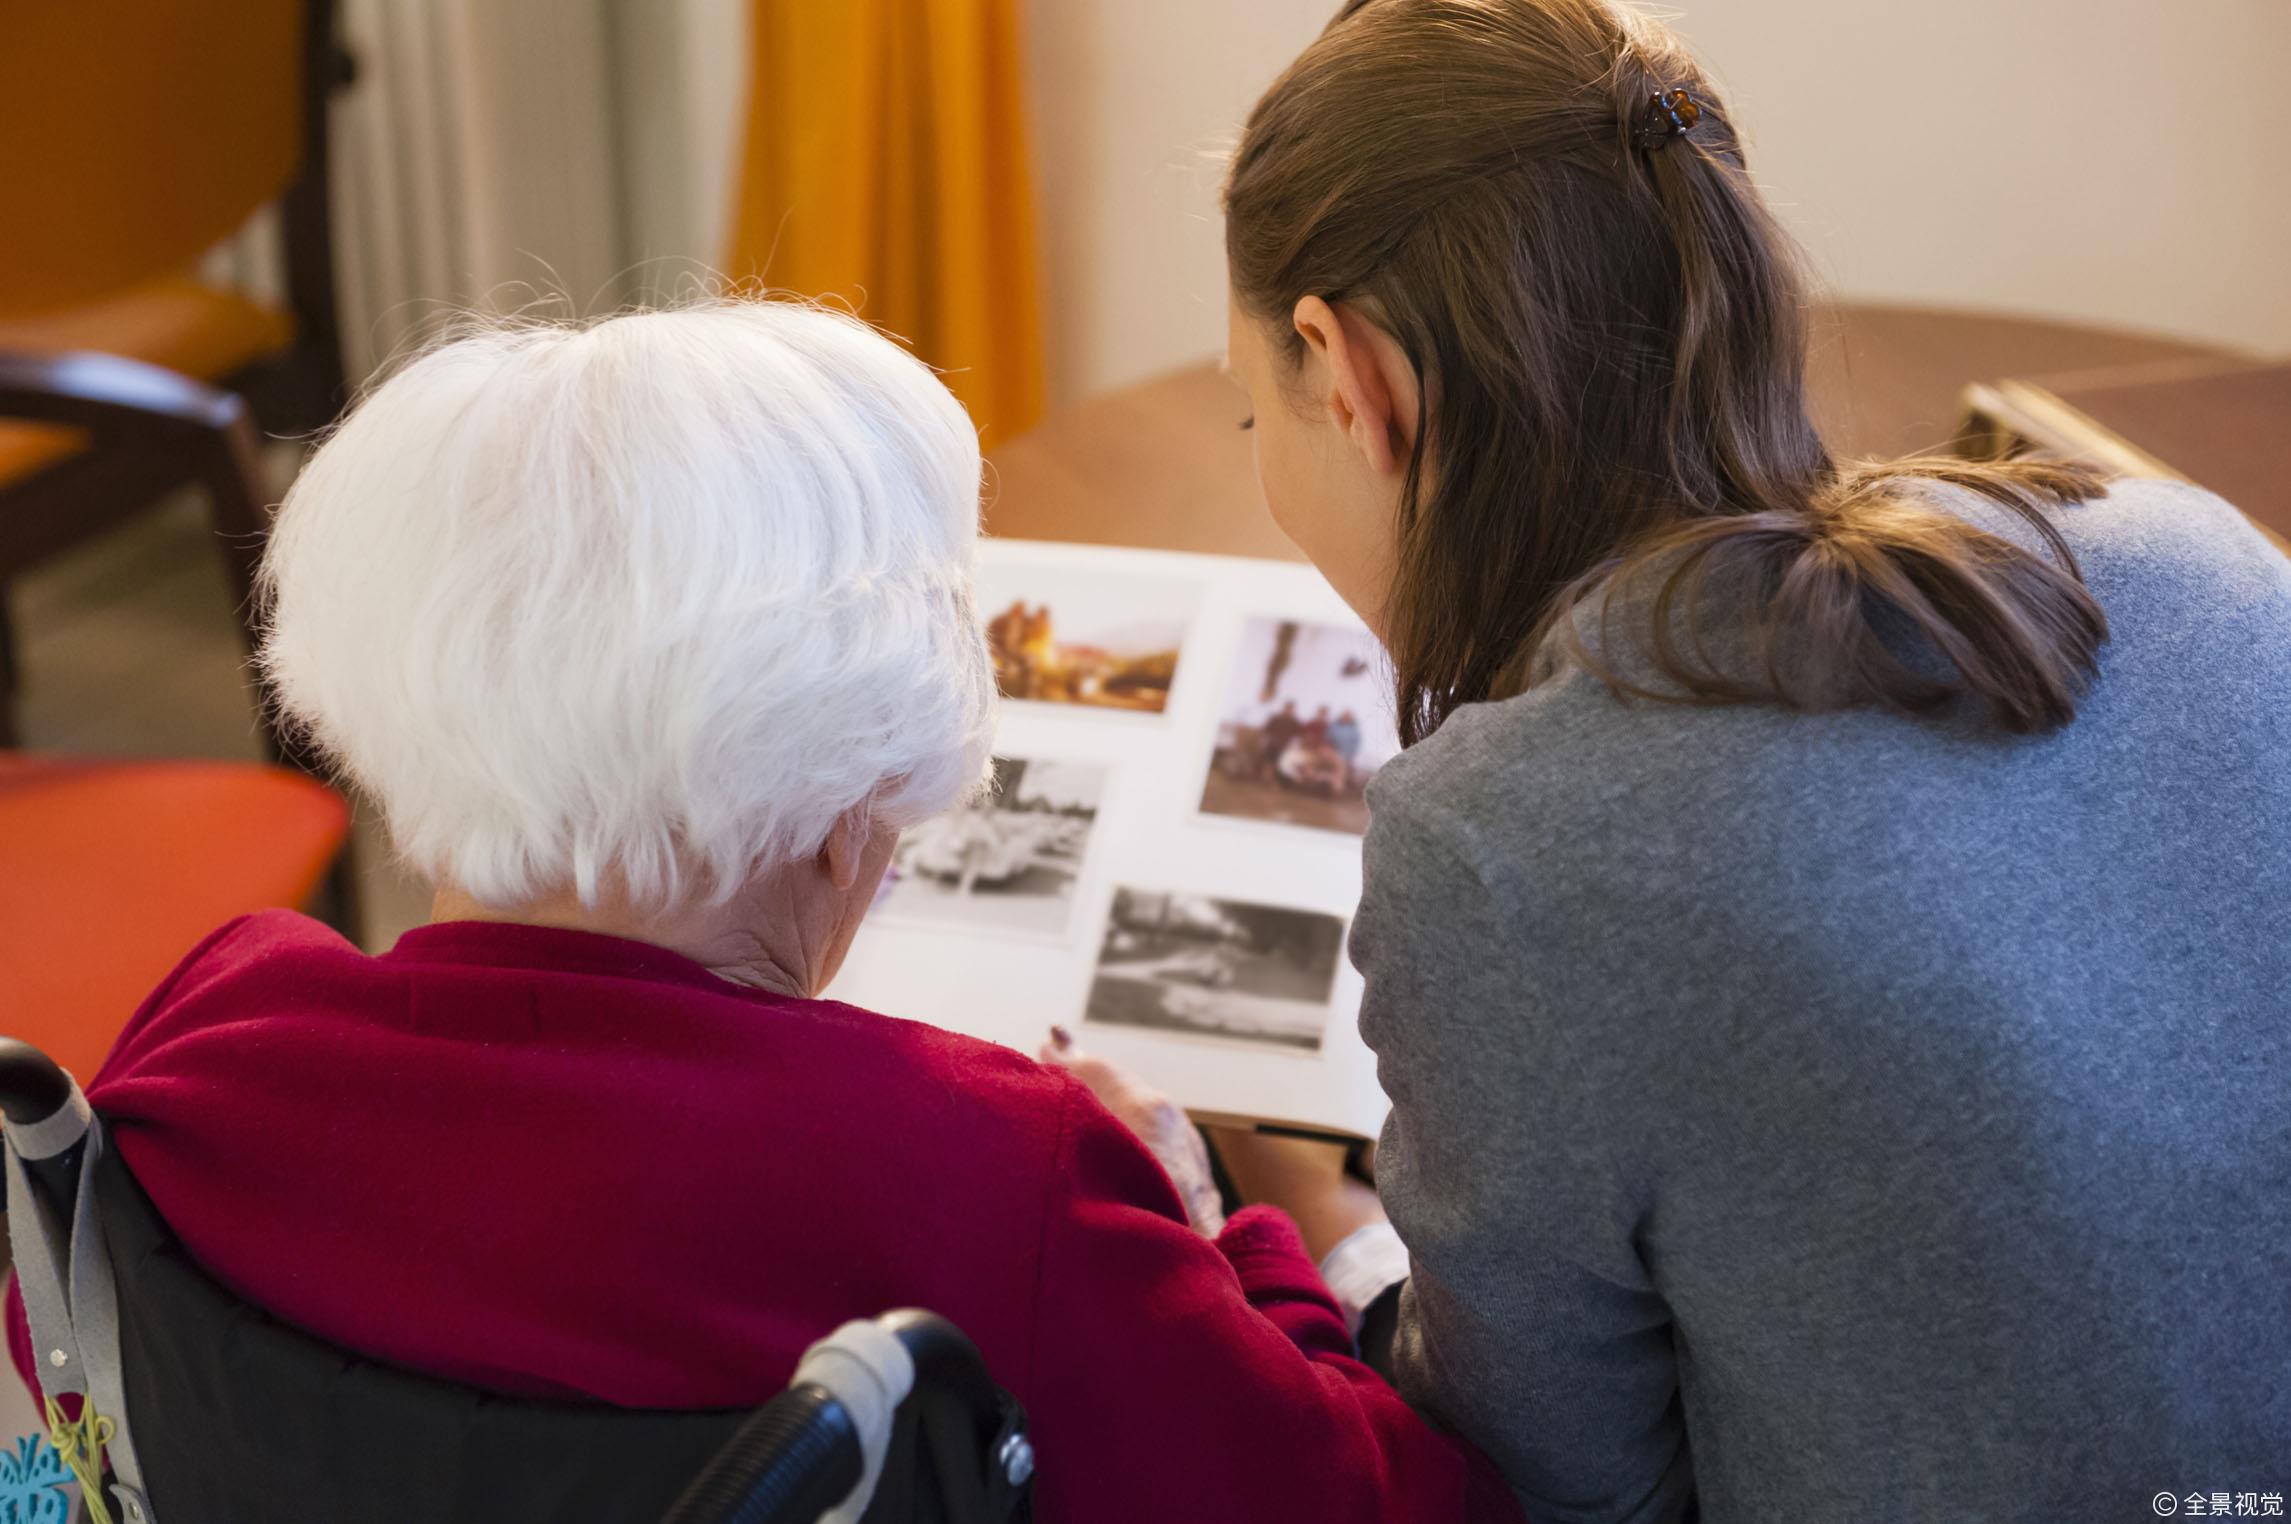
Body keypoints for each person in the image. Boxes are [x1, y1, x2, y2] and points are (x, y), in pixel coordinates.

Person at [5, 303, 1518, 1523]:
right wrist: (1232, 1230)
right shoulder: (1000, 1175)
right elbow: (1383, 1502)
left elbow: (73, 1383)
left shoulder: (215, 1035)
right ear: (856, 797)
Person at [1205, 0, 2291, 1518]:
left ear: (1346, 372)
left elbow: (1556, 1488)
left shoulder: (1502, 839)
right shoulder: (2204, 558)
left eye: (1251, 410)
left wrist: (1318, 1233)